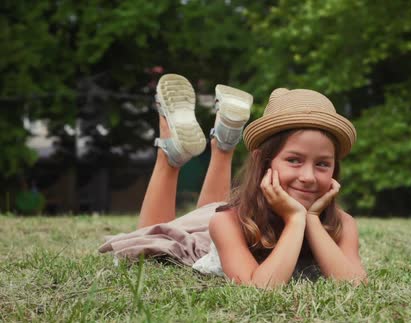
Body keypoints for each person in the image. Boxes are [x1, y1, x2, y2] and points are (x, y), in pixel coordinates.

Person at [99, 74, 367, 288]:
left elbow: (354, 284)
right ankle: (170, 153)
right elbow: (261, 288)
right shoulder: (228, 222)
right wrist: (296, 220)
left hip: (225, 215)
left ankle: (223, 143)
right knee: (155, 235)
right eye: (294, 160)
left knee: (209, 213)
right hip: (219, 232)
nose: (308, 177)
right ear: (263, 162)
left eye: (322, 164)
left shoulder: (342, 223)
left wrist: (310, 219)